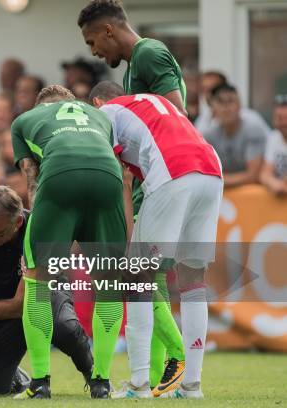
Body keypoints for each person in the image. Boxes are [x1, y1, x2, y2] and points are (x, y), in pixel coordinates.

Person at [78, 0, 187, 390]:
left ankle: (174, 362)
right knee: (145, 284)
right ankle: (156, 381)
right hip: (150, 184)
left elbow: (176, 118)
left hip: (163, 181)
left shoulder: (148, 53)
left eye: (93, 41)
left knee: (140, 282)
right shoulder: (133, 70)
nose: (93, 51)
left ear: (108, 30)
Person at [90, 81, 223, 398]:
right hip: (211, 169)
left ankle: (138, 384)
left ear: (97, 103)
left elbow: (118, 180)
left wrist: (124, 246)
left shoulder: (105, 114)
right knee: (193, 279)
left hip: (173, 169)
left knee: (137, 277)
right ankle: (192, 385)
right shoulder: (147, 104)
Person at [11, 85, 127, 399]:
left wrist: (42, 243)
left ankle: (40, 384)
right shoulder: (100, 116)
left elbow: (32, 177)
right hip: (108, 182)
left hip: (59, 179)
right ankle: (102, 382)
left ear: (40, 106)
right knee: (109, 284)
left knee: (37, 283)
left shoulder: (26, 120)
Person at [0, 186, 93, 395]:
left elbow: (21, 306)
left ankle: (93, 373)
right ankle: (17, 376)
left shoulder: (39, 232)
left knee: (64, 328)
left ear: (18, 223)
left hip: (44, 296)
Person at [203, 84, 267, 188]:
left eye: (230, 101)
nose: (226, 108)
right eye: (220, 102)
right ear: (213, 109)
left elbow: (253, 176)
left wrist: (218, 181)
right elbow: (206, 173)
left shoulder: (253, 129)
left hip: (253, 195)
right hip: (226, 195)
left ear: (239, 106)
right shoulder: (209, 135)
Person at [260, 95, 287, 195]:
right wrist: (275, 183)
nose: (284, 123)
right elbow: (265, 174)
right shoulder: (273, 138)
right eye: (279, 118)